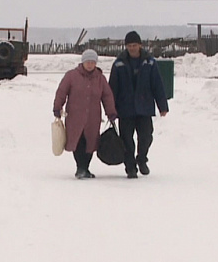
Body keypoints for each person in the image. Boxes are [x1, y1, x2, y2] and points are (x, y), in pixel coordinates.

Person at [108, 31, 169, 179]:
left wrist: (163, 106)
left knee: (146, 137)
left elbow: (157, 85)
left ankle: (141, 159)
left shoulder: (150, 62)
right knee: (126, 139)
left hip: (144, 107)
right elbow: (112, 88)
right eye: (129, 45)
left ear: (140, 45)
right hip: (125, 108)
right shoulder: (118, 63)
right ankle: (130, 167)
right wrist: (110, 109)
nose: (132, 48)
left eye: (134, 45)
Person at [53, 49, 117, 179]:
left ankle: (85, 168)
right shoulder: (71, 76)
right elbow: (61, 92)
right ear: (82, 62)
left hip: (93, 117)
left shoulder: (100, 78)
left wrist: (111, 112)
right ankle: (80, 167)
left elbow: (107, 96)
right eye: (87, 62)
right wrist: (57, 107)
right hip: (75, 117)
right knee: (78, 141)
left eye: (92, 62)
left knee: (91, 143)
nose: (90, 64)